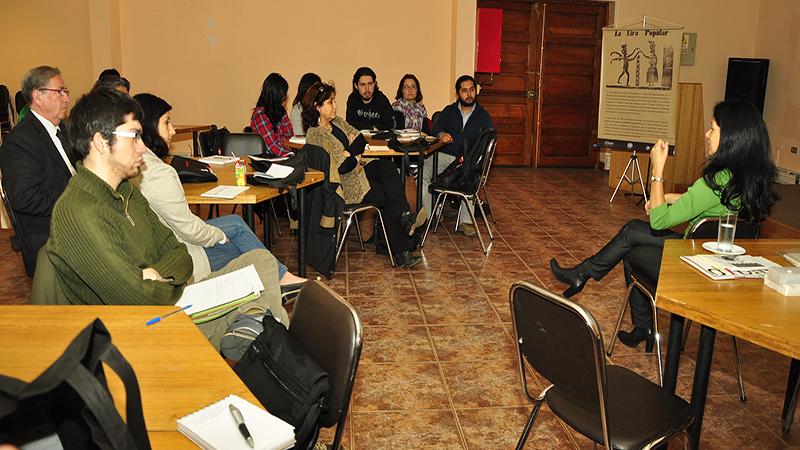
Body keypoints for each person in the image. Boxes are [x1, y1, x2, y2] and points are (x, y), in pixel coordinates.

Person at [46, 89, 288, 349]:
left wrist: (156, 275)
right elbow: (136, 298)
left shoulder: (126, 191)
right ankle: (261, 336)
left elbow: (179, 253)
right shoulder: (79, 210)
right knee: (269, 322)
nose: (142, 146)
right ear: (101, 142)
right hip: (149, 329)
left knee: (261, 261)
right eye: (134, 136)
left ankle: (252, 327)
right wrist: (160, 282)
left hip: (174, 299)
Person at [550, 100, 777, 349]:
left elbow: (658, 222)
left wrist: (657, 170)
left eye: (712, 129)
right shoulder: (750, 180)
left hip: (692, 268)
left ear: (731, 137)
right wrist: (667, 198)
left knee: (632, 243)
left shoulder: (712, 183)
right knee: (632, 233)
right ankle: (597, 288)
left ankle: (613, 301)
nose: (706, 134)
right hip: (722, 266)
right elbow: (710, 207)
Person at [132, 92, 306, 290]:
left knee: (235, 222)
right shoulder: (159, 173)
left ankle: (281, 276)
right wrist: (219, 237)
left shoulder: (138, 166)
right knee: (244, 250)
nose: (172, 131)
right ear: (149, 127)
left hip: (170, 238)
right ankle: (278, 279)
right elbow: (189, 229)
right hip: (182, 253)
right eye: (166, 123)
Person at [302, 82, 426, 267]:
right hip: (345, 185)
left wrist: (350, 152)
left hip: (358, 170)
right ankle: (400, 247)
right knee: (387, 196)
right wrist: (353, 154)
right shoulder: (316, 134)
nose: (335, 106)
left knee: (387, 167)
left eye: (334, 101)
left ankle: (404, 218)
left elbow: (359, 136)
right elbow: (343, 167)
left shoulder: (337, 122)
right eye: (330, 102)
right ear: (317, 107)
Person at [0, 66, 76, 276]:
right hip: (51, 235)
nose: (66, 99)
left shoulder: (64, 130)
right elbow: (26, 198)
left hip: (75, 222)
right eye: (59, 92)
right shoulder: (20, 142)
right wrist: (78, 200)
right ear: (37, 96)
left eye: (66, 92)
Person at [424, 74, 493, 236]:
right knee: (423, 170)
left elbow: (487, 140)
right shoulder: (449, 111)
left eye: (471, 90)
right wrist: (441, 134)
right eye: (464, 91)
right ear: (458, 94)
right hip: (446, 155)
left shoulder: (483, 116)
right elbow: (435, 128)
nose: (469, 94)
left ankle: (466, 221)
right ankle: (430, 214)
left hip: (468, 160)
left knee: (471, 172)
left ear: (476, 92)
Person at [251, 73, 294, 157]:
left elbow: (290, 137)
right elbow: (272, 146)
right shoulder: (260, 115)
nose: (284, 97)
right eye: (283, 94)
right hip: (269, 160)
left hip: (283, 156)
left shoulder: (281, 111)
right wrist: (291, 155)